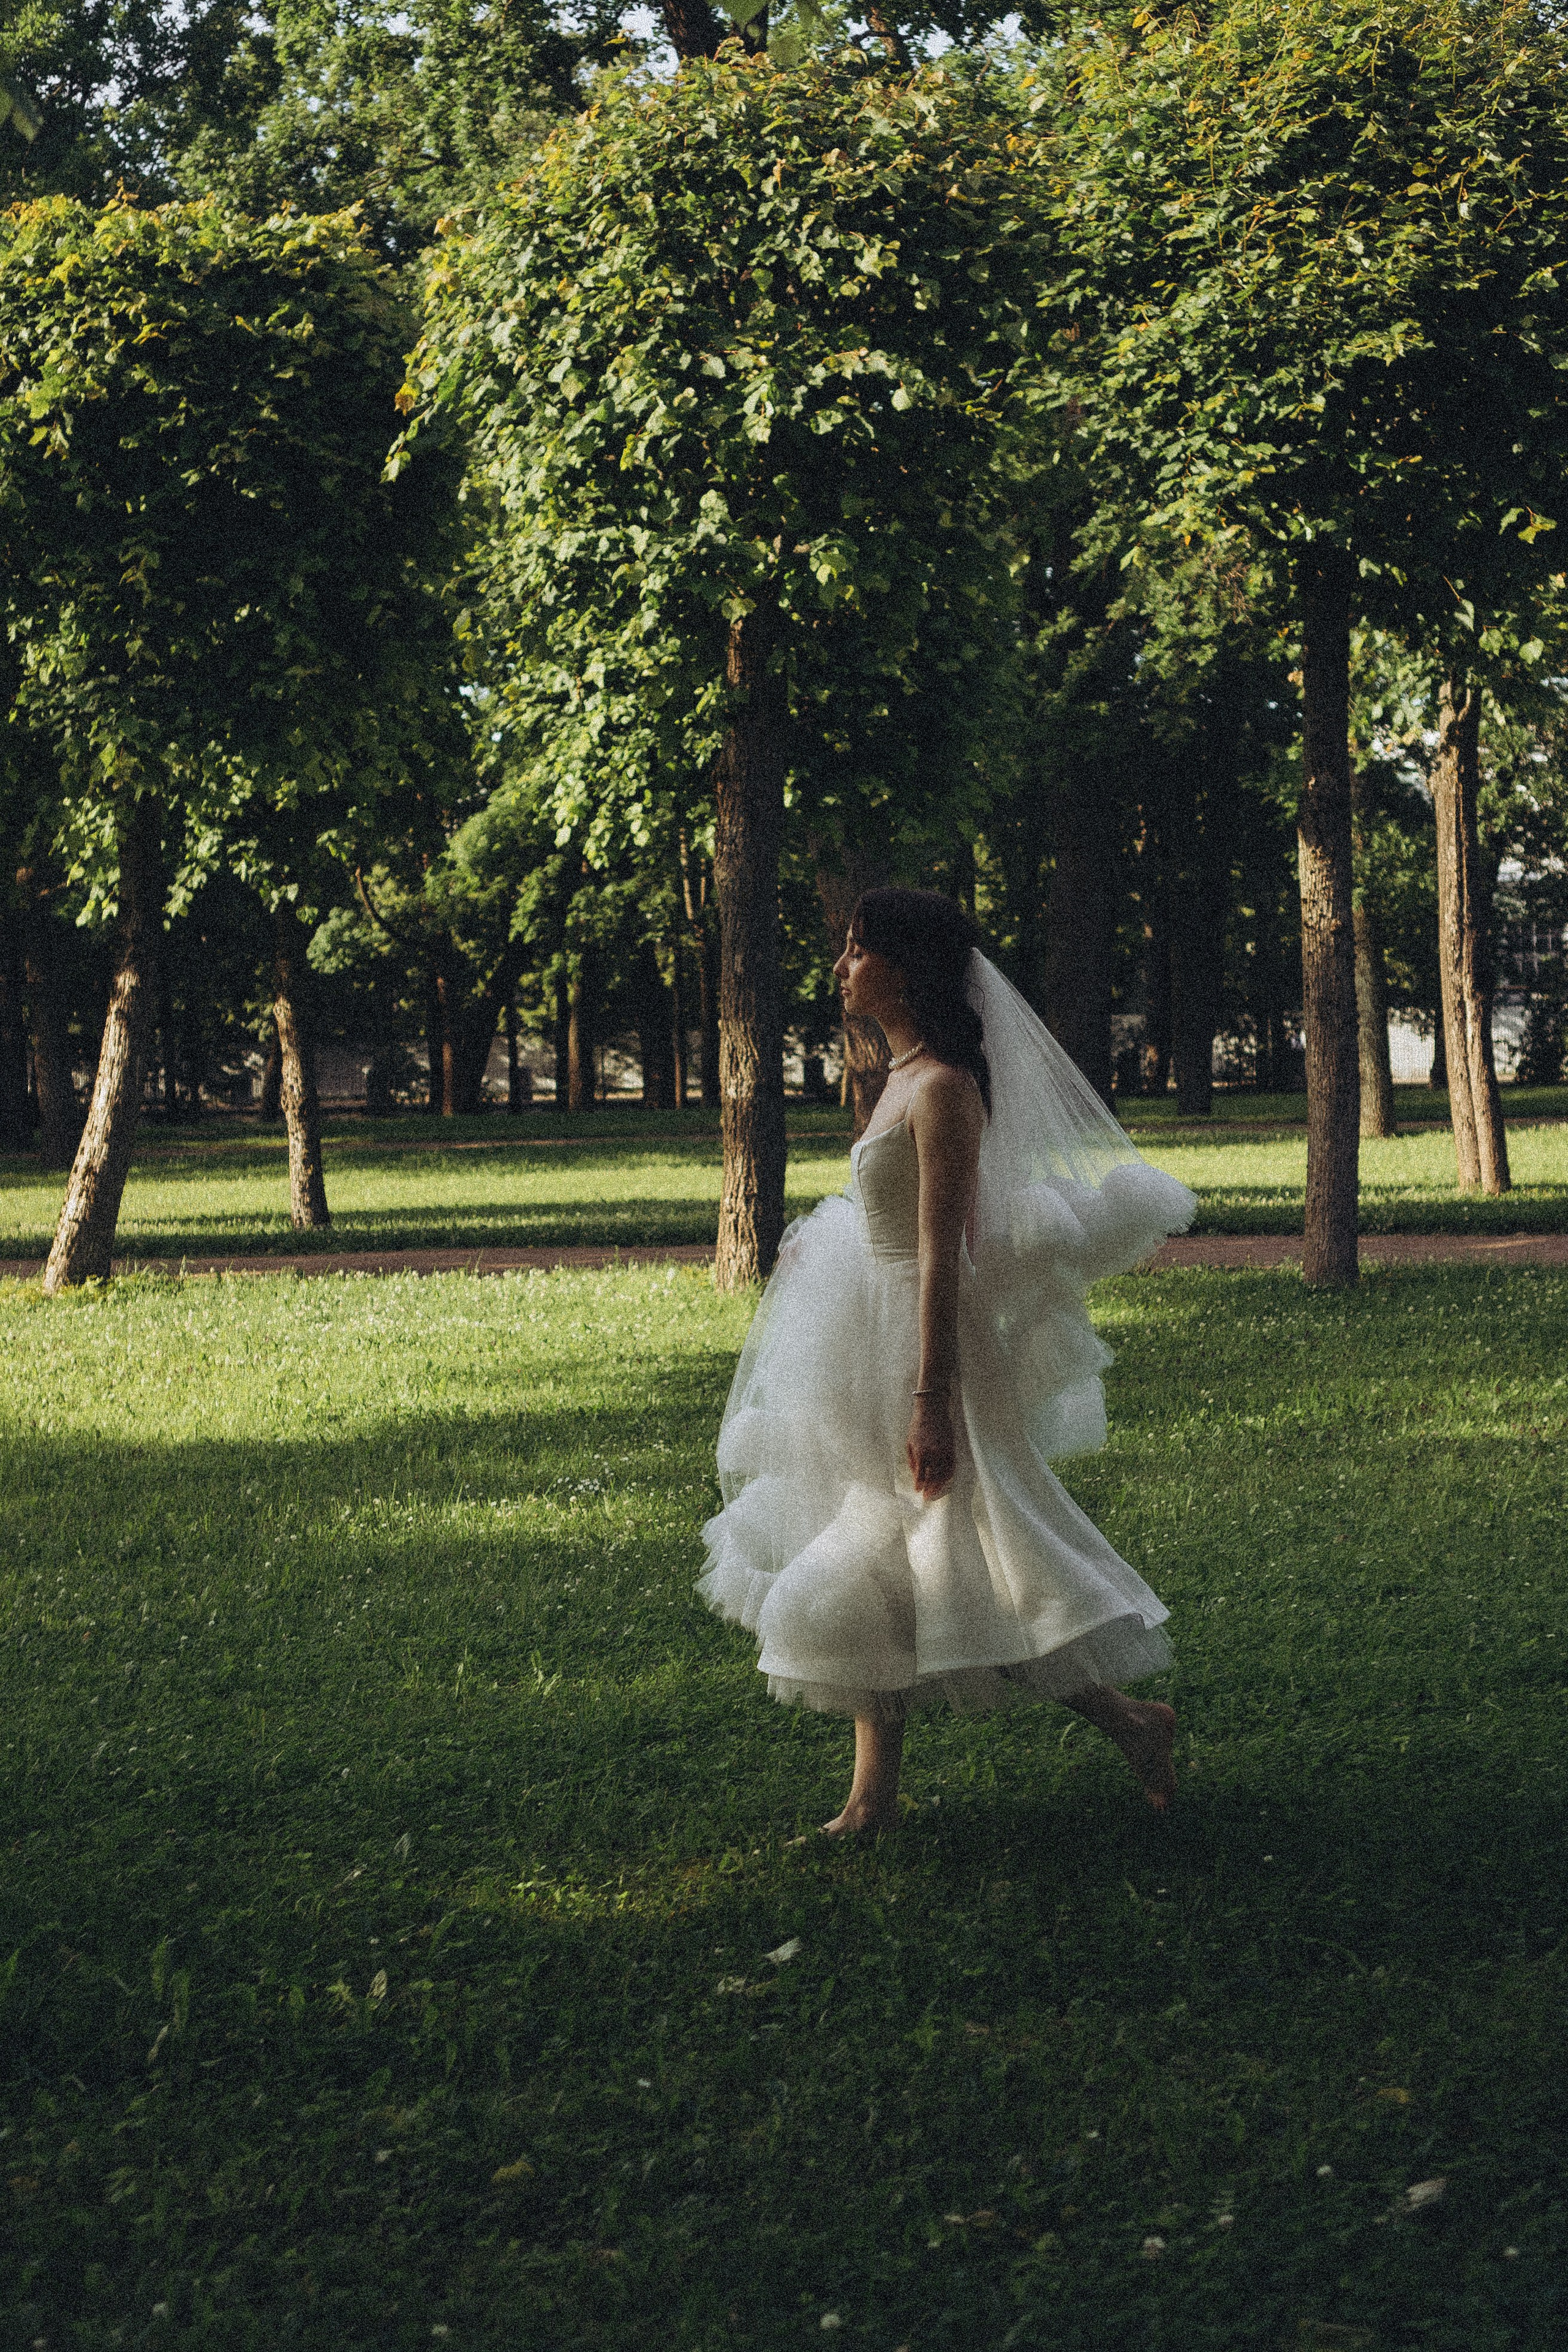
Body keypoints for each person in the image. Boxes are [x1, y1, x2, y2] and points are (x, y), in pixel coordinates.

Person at [697, 888, 1196, 1836]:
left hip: (926, 1342)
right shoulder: (897, 1076)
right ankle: (871, 1797)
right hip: (869, 1330)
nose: (841, 967)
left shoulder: (945, 1088)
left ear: (908, 966)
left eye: (856, 951)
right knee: (879, 1552)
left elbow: (943, 1249)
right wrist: (827, 1242)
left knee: (976, 1549)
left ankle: (1131, 1718)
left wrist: (933, 1394)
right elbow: (888, 1214)